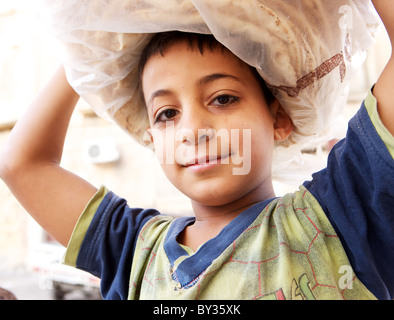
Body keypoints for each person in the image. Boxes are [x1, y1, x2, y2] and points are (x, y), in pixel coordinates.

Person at [0, 1, 393, 300]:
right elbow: (22, 165)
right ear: (151, 137)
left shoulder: (339, 216)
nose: (192, 130)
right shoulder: (133, 252)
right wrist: (93, 38)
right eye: (167, 113)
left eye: (222, 99)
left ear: (278, 116)